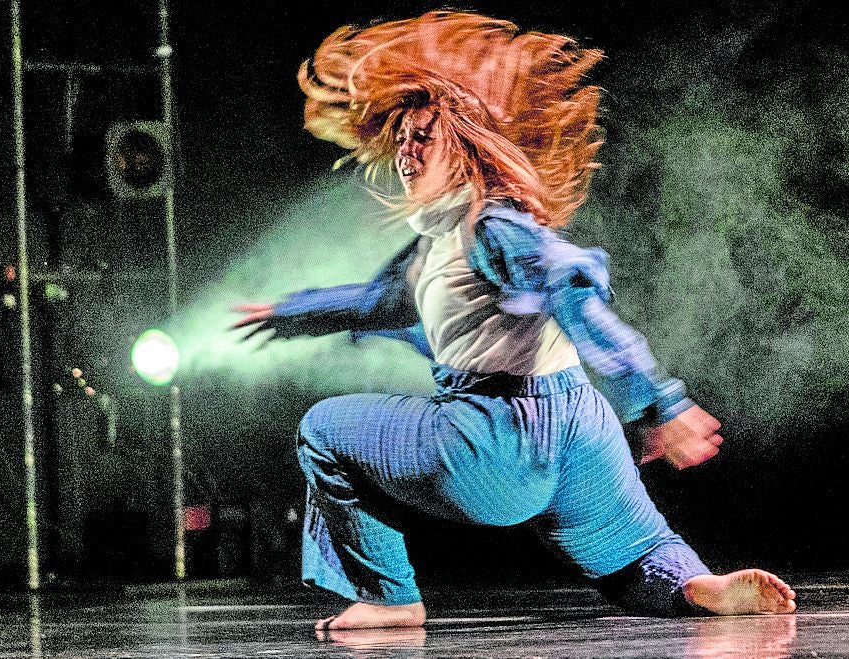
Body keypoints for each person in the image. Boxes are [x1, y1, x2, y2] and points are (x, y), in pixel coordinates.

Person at [234, 11, 796, 630]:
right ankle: (699, 588)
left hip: (495, 437)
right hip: (581, 427)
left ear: (467, 142)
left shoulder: (492, 224)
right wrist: (291, 312)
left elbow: (572, 291)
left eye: (424, 136)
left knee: (324, 429)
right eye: (401, 138)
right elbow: (379, 303)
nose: (406, 151)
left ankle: (390, 598)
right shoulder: (443, 237)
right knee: (631, 554)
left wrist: (662, 404)